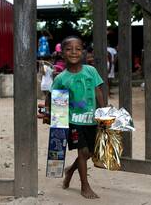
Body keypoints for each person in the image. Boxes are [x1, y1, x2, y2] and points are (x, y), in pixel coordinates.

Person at [39, 35, 105, 199]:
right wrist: (48, 114)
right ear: (63, 54)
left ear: (83, 52)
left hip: (91, 119)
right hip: (72, 121)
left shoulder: (91, 71)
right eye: (69, 49)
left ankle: (70, 170)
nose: (74, 52)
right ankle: (85, 186)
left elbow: (98, 91)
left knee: (89, 153)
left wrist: (103, 111)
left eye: (78, 49)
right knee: (82, 151)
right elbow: (51, 96)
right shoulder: (61, 78)